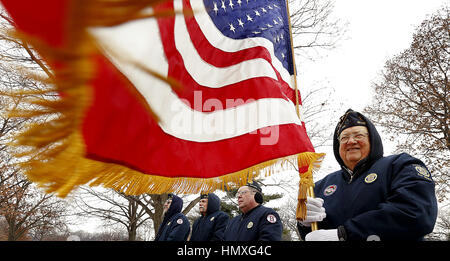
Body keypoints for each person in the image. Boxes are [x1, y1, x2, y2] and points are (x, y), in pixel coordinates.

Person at [297, 109, 438, 241]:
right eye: (344, 138)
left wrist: (346, 234)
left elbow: (416, 213)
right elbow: (318, 235)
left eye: (359, 135)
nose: (351, 141)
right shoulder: (322, 185)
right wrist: (306, 225)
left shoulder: (400, 165)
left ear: (372, 140)